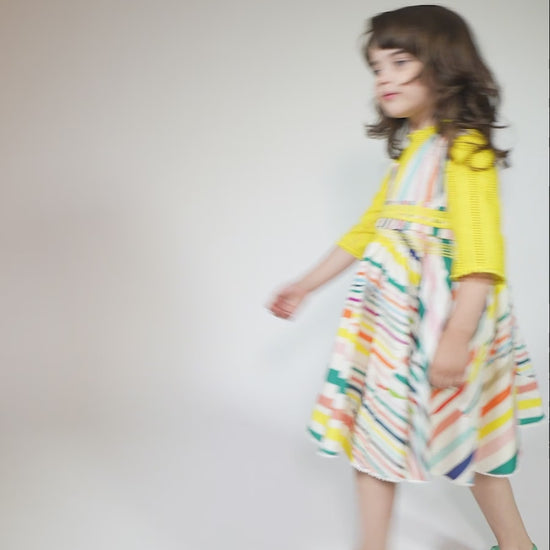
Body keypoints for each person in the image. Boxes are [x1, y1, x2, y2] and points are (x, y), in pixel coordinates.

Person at [267, 5, 544, 550]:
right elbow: (368, 229)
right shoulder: (410, 153)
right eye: (377, 68)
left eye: (399, 63)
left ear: (443, 65)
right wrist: (305, 285)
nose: (383, 78)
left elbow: (482, 255)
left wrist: (456, 337)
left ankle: (517, 545)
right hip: (395, 326)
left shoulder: (465, 148)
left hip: (448, 321)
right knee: (373, 434)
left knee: (474, 440)